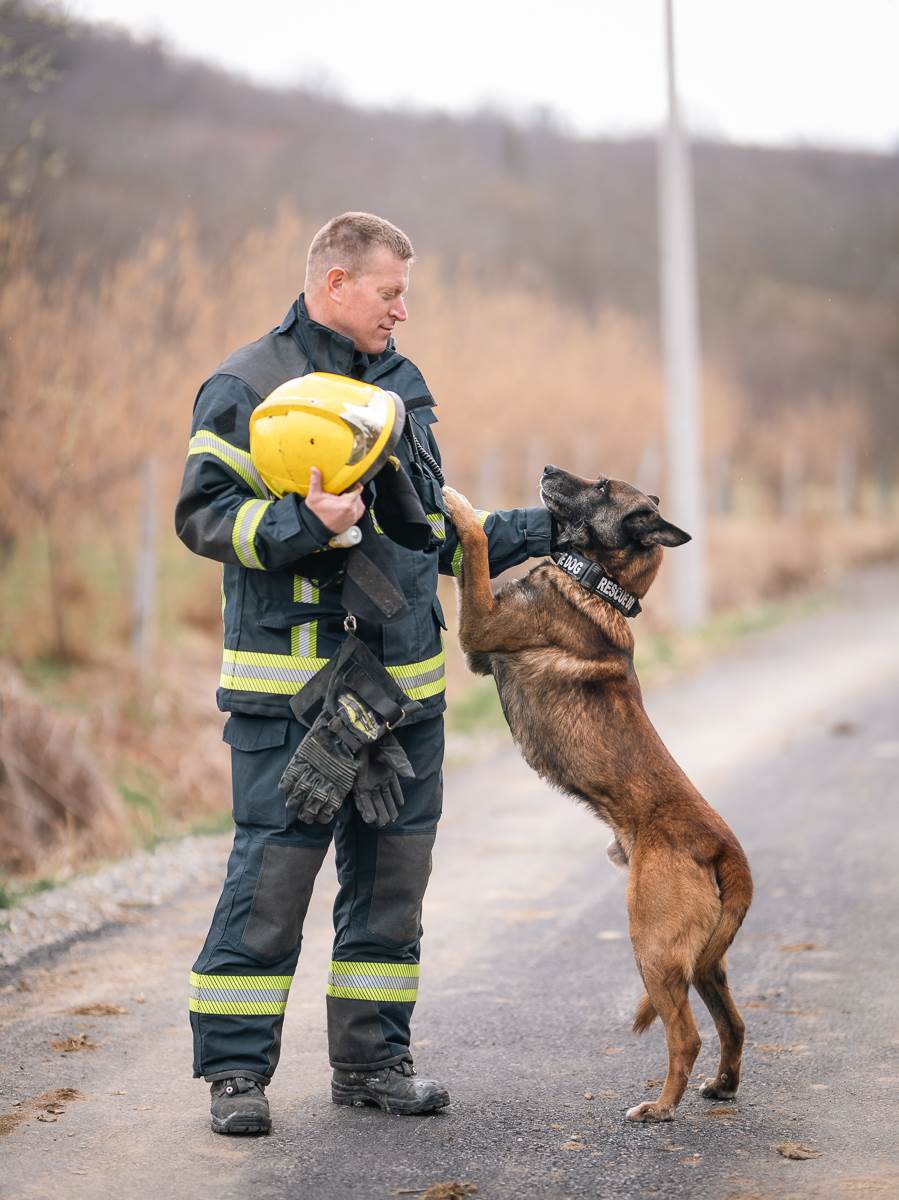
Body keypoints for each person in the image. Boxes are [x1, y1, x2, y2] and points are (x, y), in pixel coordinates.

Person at [175, 212, 553, 1135]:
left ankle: (374, 1064)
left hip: (404, 697)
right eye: (390, 293)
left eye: (404, 295)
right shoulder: (245, 384)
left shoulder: (400, 387)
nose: (402, 312)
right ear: (335, 283)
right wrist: (302, 524)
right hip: (291, 698)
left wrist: (557, 529)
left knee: (392, 887)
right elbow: (203, 518)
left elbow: (433, 534)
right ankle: (236, 1076)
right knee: (271, 884)